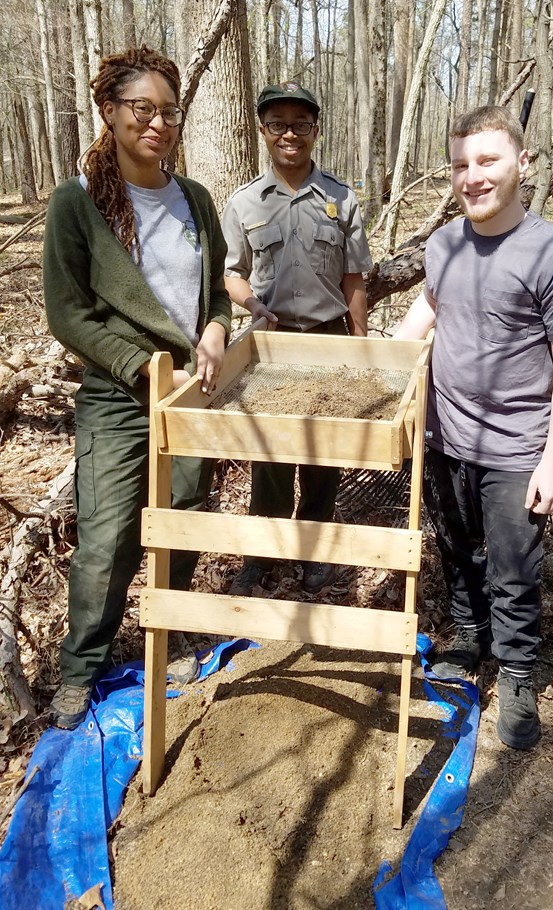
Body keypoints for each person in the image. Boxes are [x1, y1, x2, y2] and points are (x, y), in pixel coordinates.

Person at [395, 105, 553, 749]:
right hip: (446, 436)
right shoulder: (445, 242)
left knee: (514, 567)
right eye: (462, 164)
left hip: (517, 447)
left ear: (522, 163)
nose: (474, 177)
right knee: (458, 550)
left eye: (488, 161)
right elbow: (426, 309)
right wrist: (379, 372)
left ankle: (516, 673)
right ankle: (466, 636)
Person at [42, 46, 231, 730]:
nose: (157, 123)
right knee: (107, 537)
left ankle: (170, 632)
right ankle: (81, 668)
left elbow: (213, 297)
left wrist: (213, 332)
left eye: (168, 111)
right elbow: (69, 313)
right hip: (121, 395)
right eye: (141, 109)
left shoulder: (196, 201)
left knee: (182, 516)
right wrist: (140, 368)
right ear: (109, 111)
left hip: (191, 392)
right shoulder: (79, 202)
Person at [221, 81, 372, 597]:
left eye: (301, 124)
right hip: (270, 345)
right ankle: (260, 556)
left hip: (330, 342)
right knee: (270, 458)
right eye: (278, 124)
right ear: (263, 131)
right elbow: (231, 273)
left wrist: (361, 344)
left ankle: (312, 553)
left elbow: (354, 278)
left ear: (315, 130)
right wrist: (251, 306)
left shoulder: (340, 197)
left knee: (322, 458)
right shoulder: (244, 202)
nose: (290, 134)